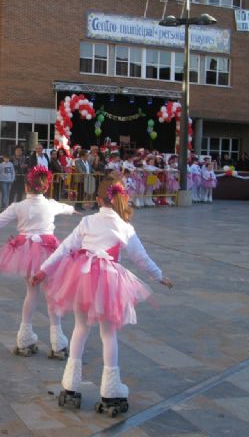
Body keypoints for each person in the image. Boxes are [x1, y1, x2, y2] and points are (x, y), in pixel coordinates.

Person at [31, 177, 173, 415]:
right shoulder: (125, 227)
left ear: (98, 200)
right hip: (109, 281)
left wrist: (43, 270)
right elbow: (141, 258)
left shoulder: (87, 221)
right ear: (119, 198)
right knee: (108, 335)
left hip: (83, 277)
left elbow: (65, 248)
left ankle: (70, 386)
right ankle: (110, 391)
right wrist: (159, 276)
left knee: (80, 329)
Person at [0, 166, 77, 358]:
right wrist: (74, 210)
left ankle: (24, 338)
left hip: (26, 251)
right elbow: (66, 208)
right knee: (51, 295)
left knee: (31, 293)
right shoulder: (51, 204)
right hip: (49, 252)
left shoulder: (18, 207)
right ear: (45, 188)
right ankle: (57, 342)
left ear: (27, 186)